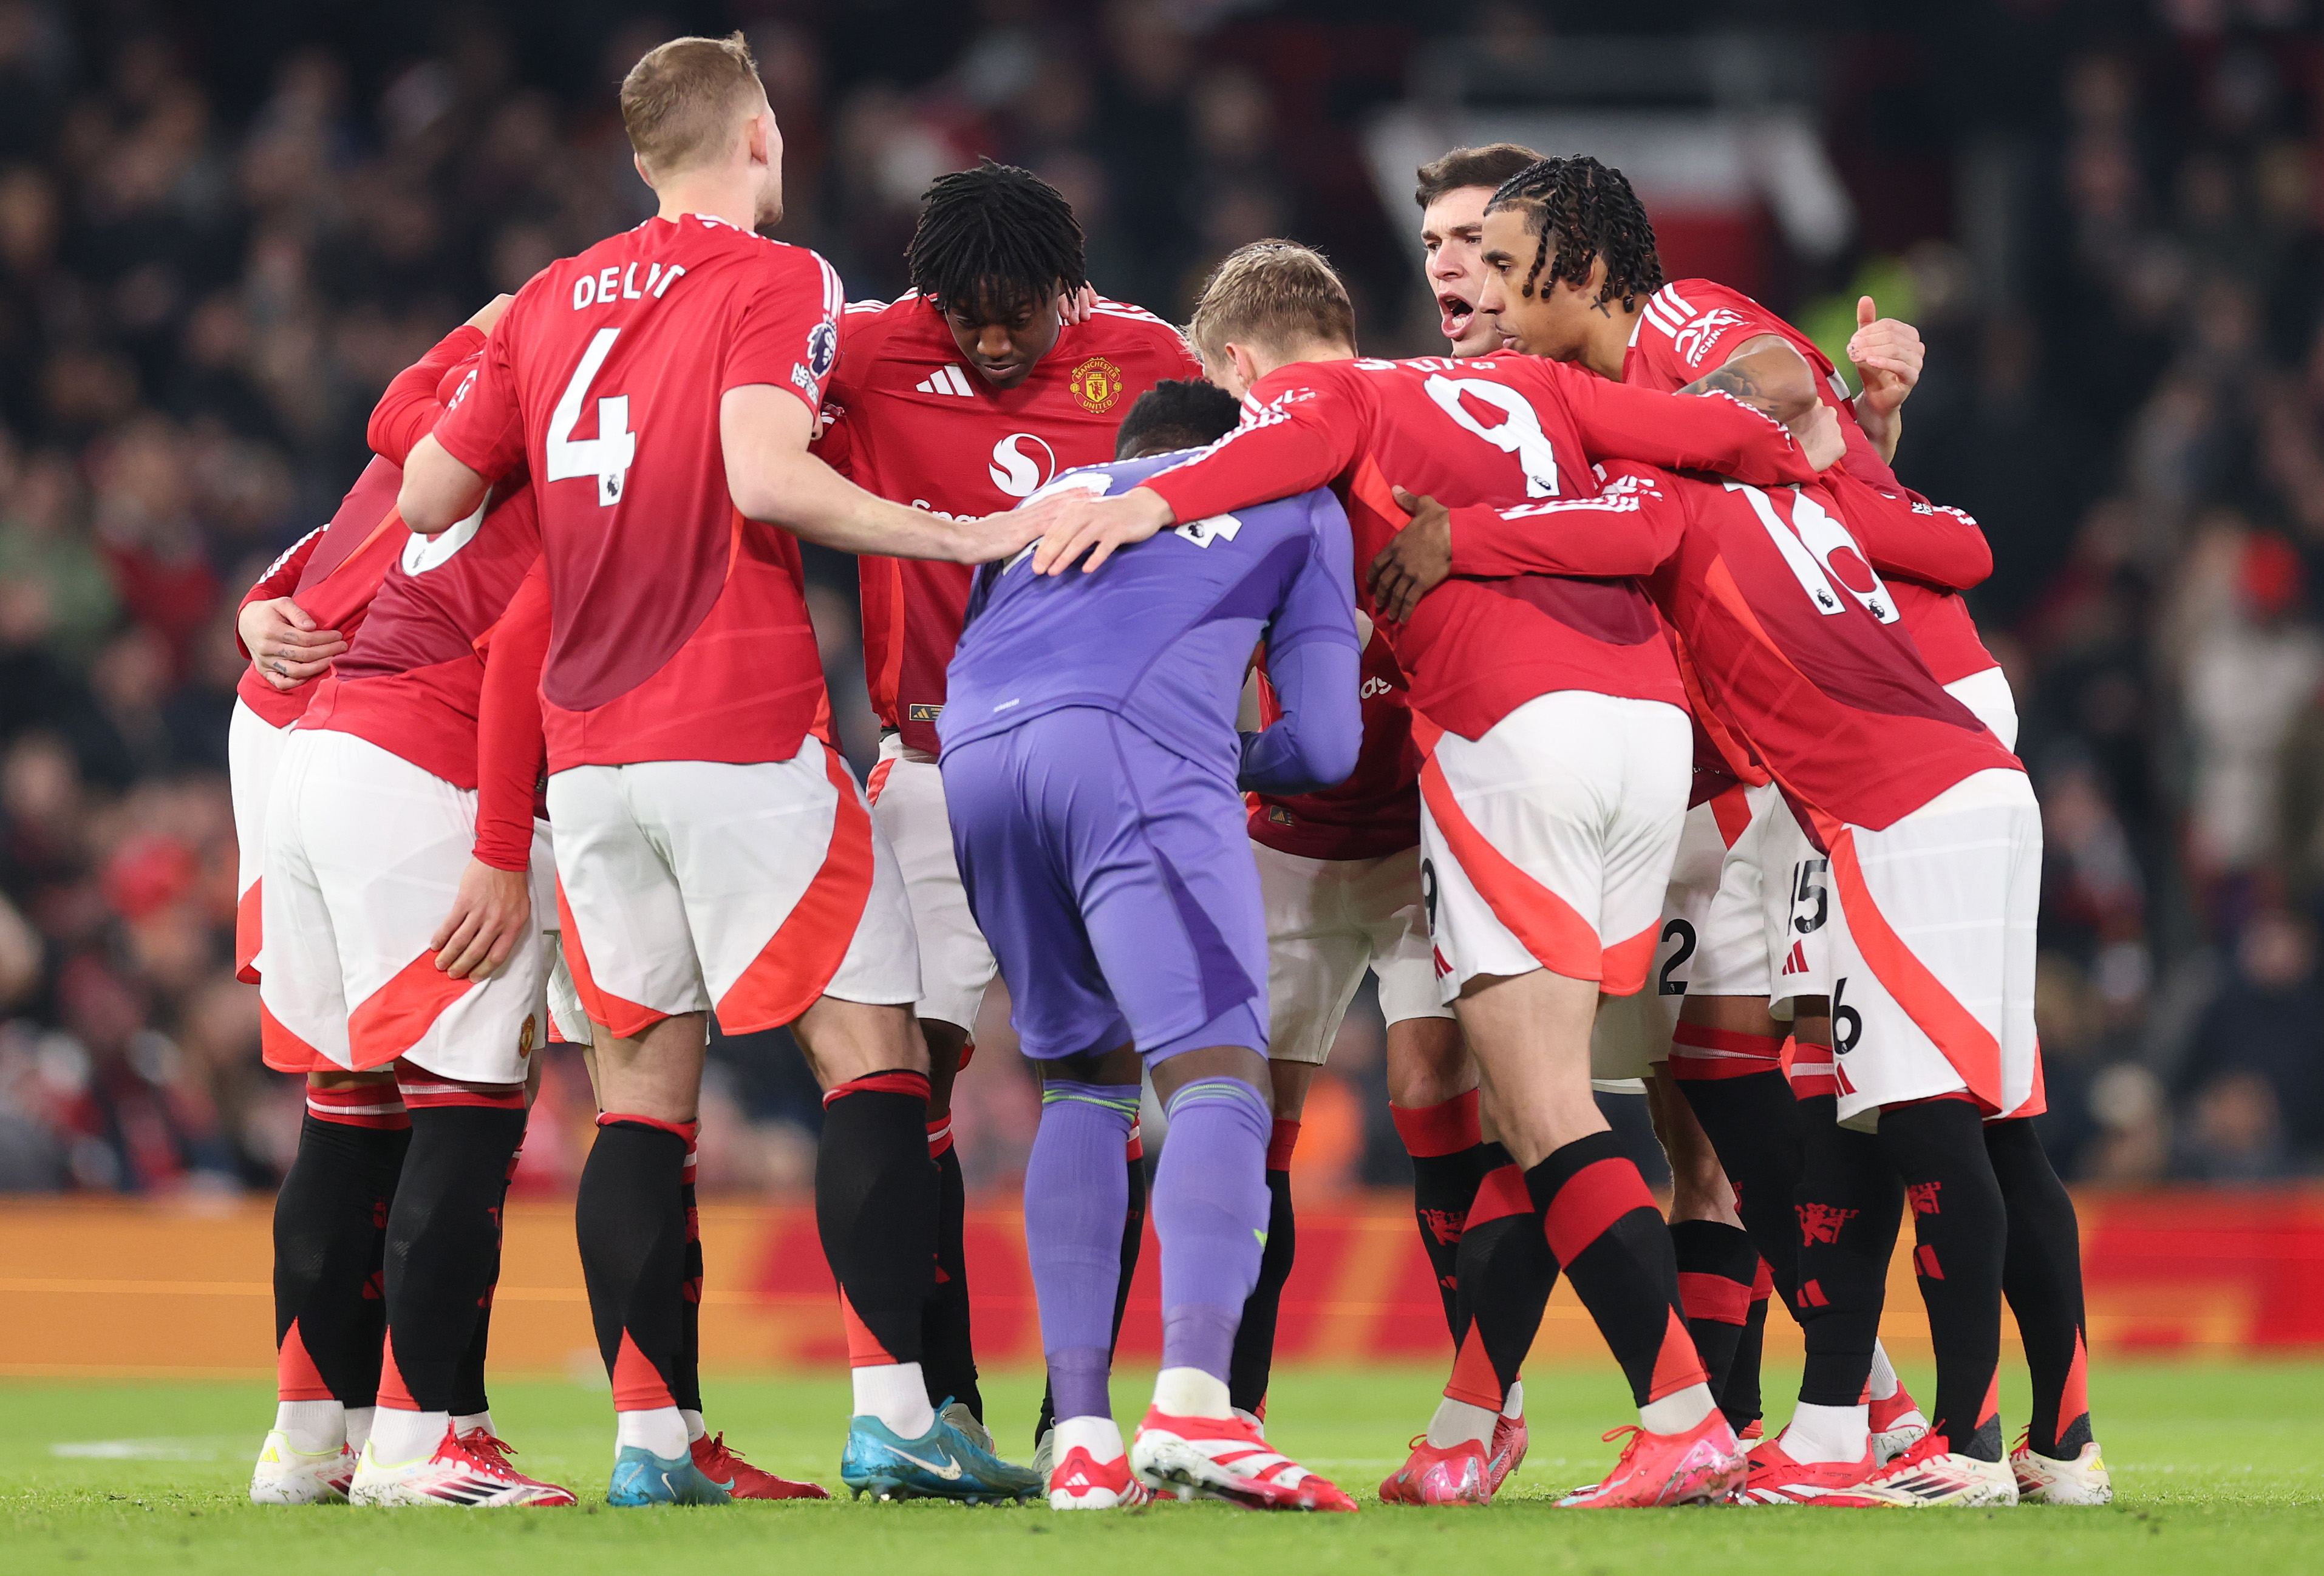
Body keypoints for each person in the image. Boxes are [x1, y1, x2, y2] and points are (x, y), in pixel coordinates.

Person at [1026, 239, 1838, 1508]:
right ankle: (1505, 1414)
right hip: (1648, 735)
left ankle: (1682, 1417)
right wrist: (1836, 445)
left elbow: (1264, 454)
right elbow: (1721, 436)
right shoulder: (1529, 385)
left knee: (1541, 1104)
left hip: (1511, 738)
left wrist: (1139, 503)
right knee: (1548, 1095)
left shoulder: (1322, 396)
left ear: (1239, 364)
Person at [1362, 160, 2070, 1509]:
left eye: (1491, 254)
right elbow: (1810, 496)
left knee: (1814, 1109)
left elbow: (1777, 417)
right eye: (1445, 250)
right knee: (1738, 1104)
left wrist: (1758, 438)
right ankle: (1830, 1417)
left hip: (1818, 770)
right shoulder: (1531, 406)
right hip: (1765, 770)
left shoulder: (1666, 342)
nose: (1469, 281)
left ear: (1568, 264)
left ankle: (1918, 1431)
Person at [397, 33, 1037, 1506]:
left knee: (640, 1095)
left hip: (594, 754)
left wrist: (467, 355)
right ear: (760, 134)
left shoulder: (551, 297)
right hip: (737, 724)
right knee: (868, 1055)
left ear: (638, 158)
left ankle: (652, 1439)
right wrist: (958, 536)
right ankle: (897, 1414)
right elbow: (761, 472)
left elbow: (433, 493)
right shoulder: (779, 277)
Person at [814, 158, 1198, 1447]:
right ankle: (942, 1400)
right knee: (904, 1077)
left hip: (1093, 773)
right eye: (962, 312)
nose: (986, 335)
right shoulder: (866, 352)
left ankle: (1064, 1409)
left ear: (1067, 290)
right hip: (923, 770)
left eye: (1013, 313)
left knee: (1098, 1073)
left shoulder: (1148, 357)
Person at [941, 390, 1365, 1513]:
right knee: (1223, 1074)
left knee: (1085, 1084)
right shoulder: (1298, 498)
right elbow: (1326, 744)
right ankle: (1192, 1405)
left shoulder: (1056, 500)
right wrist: (1218, 751)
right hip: (1125, 748)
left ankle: (1079, 1441)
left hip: (975, 764)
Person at [238, 306, 499, 1506]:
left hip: (286, 730)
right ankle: (421, 1432)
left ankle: (309, 1437)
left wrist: (255, 610)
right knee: (465, 1089)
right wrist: (504, 844)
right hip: (392, 743)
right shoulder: (529, 452)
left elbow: (305, 564)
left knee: (347, 1095)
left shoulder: (420, 428)